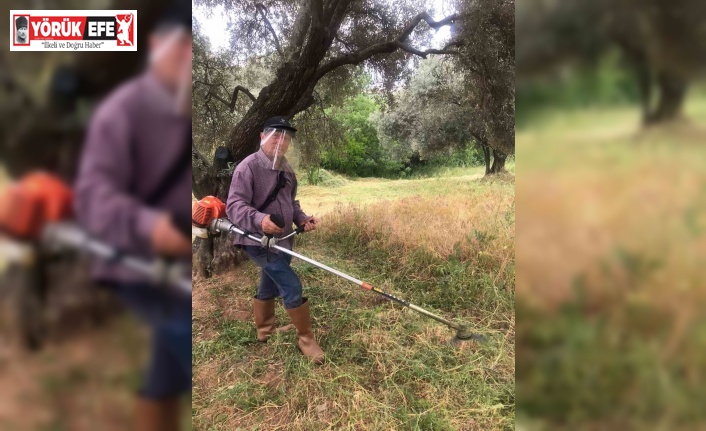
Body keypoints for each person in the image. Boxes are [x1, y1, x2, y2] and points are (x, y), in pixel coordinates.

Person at [74, 4, 192, 430]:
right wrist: (151, 227)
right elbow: (92, 195)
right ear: (156, 46)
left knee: (169, 369)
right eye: (181, 45)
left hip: (177, 262)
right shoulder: (123, 109)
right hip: (134, 260)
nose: (189, 57)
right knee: (187, 341)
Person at [227, 117, 324, 364]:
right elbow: (234, 206)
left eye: (287, 138)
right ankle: (306, 339)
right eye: (276, 136)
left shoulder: (287, 169)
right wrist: (260, 220)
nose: (281, 142)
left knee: (269, 278)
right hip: (257, 241)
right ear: (263, 137)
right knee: (291, 284)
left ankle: (265, 330)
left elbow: (291, 202)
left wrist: (302, 219)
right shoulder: (247, 168)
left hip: (283, 239)